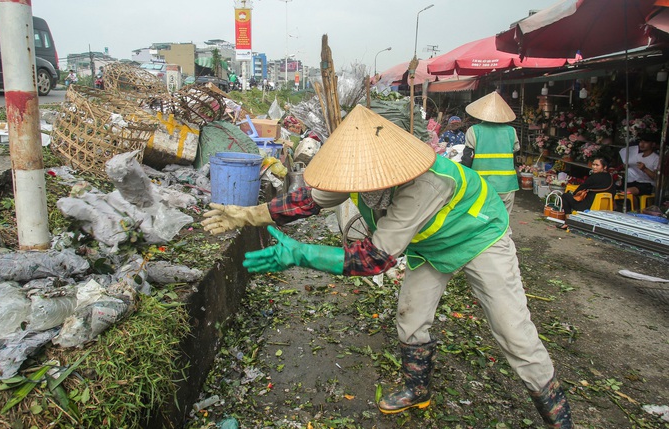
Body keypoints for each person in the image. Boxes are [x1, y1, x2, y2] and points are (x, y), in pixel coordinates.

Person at [201, 105, 573, 427]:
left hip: (479, 236)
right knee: (411, 318)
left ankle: (559, 417)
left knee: (512, 332)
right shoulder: (352, 173)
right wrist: (248, 214)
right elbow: (307, 203)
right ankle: (417, 388)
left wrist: (302, 254)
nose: (363, 189)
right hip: (431, 246)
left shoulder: (426, 184)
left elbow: (372, 259)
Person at [461, 91, 520, 214]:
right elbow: (514, 154)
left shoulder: (474, 131)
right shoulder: (511, 131)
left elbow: (467, 158)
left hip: (482, 184)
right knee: (503, 219)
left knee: (482, 218)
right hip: (506, 185)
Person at [557, 157, 615, 230]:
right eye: (593, 165)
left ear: (605, 167)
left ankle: (568, 221)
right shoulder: (610, 177)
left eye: (597, 165)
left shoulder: (594, 177)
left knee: (565, 196)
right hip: (604, 208)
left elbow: (578, 190)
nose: (594, 167)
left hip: (587, 207)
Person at [618, 133, 659, 205]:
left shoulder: (656, 158)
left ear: (653, 144)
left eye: (645, 142)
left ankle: (635, 210)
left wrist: (644, 169)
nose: (642, 144)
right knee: (617, 187)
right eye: (641, 141)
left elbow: (657, 177)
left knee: (627, 192)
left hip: (647, 184)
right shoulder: (637, 155)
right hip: (634, 180)